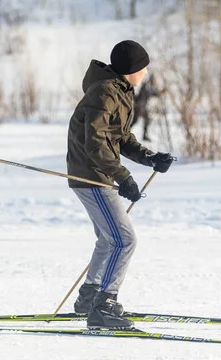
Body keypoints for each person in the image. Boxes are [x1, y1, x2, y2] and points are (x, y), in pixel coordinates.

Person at [66, 40, 174, 330]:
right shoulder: (104, 93)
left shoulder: (117, 91)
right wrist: (123, 177)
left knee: (109, 239)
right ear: (132, 70)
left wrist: (150, 158)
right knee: (124, 239)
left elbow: (120, 138)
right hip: (92, 175)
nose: (146, 71)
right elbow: (96, 142)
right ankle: (105, 305)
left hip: (95, 173)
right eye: (143, 67)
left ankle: (89, 297)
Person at [131, 74, 166, 141]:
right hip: (140, 106)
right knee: (136, 121)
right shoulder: (148, 86)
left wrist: (160, 92)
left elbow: (153, 93)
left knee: (143, 120)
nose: (155, 81)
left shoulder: (148, 85)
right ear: (152, 79)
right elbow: (153, 92)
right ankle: (125, 132)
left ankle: (143, 135)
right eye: (154, 80)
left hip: (141, 106)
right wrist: (160, 92)